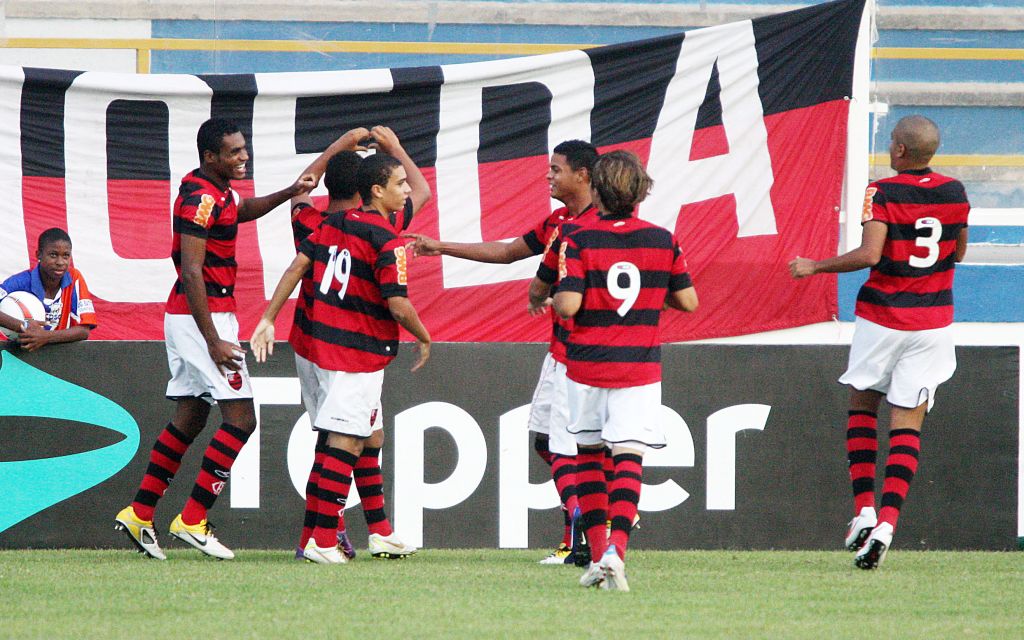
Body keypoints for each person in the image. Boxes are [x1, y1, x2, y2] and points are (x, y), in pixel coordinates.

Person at [114, 118, 317, 560]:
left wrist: (288, 192)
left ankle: (140, 511)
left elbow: (240, 212)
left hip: (192, 319)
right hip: (201, 322)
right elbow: (190, 271)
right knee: (242, 419)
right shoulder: (202, 198)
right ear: (211, 156)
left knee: (189, 417)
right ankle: (192, 518)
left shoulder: (214, 189)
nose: (243, 157)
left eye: (244, 149)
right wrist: (212, 340)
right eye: (234, 152)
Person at [789, 115, 969, 570]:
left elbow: (871, 254)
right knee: (908, 421)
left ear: (901, 151)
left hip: (883, 316)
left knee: (863, 404)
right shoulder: (955, 192)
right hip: (933, 322)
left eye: (892, 141)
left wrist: (816, 267)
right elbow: (959, 252)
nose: (889, 147)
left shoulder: (882, 191)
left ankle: (864, 509)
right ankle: (888, 524)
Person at [407, 139, 598, 564]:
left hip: (579, 356)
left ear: (583, 175)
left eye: (556, 169)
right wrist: (441, 246)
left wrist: (552, 295)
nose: (548, 175)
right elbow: (510, 252)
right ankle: (584, 530)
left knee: (562, 447)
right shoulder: (560, 220)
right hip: (564, 351)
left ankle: (589, 527)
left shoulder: (593, 227)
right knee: (552, 444)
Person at [251, 151, 431, 565]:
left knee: (370, 435)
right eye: (399, 184)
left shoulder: (330, 224)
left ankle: (380, 533)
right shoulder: (386, 238)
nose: (407, 192)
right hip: (355, 353)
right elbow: (398, 304)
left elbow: (299, 264)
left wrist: (268, 317)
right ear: (376, 190)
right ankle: (322, 538)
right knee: (346, 439)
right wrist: (424, 337)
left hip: (317, 348)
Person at [549, 150, 697, 591]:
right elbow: (688, 301)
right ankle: (616, 550)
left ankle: (597, 556)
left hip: (586, 365)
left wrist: (560, 296)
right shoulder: (662, 239)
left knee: (590, 457)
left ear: (596, 191)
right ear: (640, 193)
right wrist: (653, 293)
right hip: (639, 367)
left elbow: (569, 303)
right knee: (629, 456)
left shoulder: (576, 237)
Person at [0, 228, 97, 350]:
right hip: (20, 353)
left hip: (58, 356)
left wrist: (46, 337)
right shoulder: (20, 281)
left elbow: (84, 331)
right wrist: (23, 325)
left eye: (66, 256)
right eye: (53, 255)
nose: (60, 262)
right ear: (38, 254)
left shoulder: (74, 278)